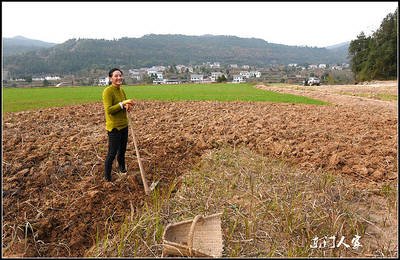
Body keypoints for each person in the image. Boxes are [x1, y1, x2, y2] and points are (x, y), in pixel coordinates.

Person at [102, 68, 134, 181]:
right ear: (111, 78)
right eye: (116, 76)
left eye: (120, 75)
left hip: (124, 125)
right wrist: (122, 103)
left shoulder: (122, 90)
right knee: (112, 153)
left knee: (122, 151)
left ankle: (122, 170)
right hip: (114, 127)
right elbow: (109, 110)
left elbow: (123, 106)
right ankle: (107, 177)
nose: (119, 78)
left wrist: (127, 106)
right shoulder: (108, 91)